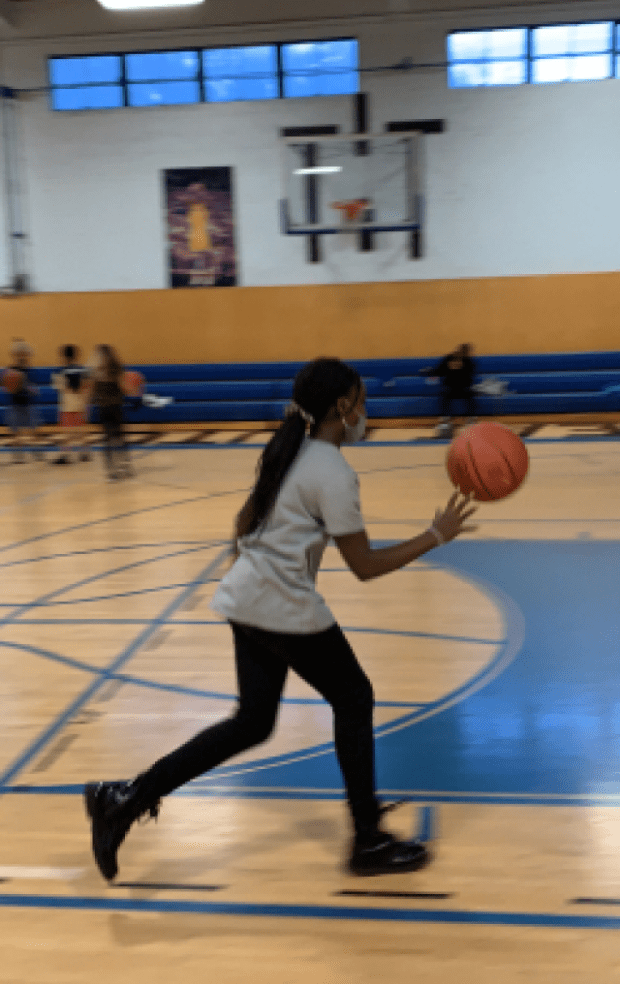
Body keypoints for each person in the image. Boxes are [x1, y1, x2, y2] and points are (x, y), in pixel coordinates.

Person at [84, 357, 476, 882]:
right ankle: (367, 840)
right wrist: (435, 535)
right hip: (281, 608)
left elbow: (242, 520)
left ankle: (126, 797)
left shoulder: (286, 451)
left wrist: (250, 577)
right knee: (354, 698)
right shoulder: (331, 470)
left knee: (254, 721)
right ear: (343, 406)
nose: (366, 410)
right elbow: (363, 566)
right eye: (360, 399)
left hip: (246, 600)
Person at [90, 344, 132, 481]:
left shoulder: (97, 370)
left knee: (109, 439)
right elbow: (124, 387)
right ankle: (124, 466)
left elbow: (92, 391)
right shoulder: (115, 368)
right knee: (118, 437)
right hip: (113, 407)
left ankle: (112, 470)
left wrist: (88, 404)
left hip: (106, 407)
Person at [4, 338, 44, 463]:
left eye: (24, 354)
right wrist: (13, 386)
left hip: (28, 404)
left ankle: (37, 454)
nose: (22, 356)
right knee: (16, 433)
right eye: (19, 354)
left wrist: (27, 387)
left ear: (26, 355)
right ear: (15, 355)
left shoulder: (30, 370)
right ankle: (17, 456)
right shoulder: (10, 370)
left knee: (34, 432)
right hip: (15, 405)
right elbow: (7, 388)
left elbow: (35, 389)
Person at [51, 344, 90, 465]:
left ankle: (66, 455)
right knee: (80, 429)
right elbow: (87, 387)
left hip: (67, 404)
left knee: (67, 430)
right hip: (81, 404)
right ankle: (84, 453)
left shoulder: (60, 371)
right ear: (76, 355)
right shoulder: (83, 370)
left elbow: (60, 388)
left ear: (64, 356)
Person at [432, 343, 477, 437]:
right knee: (445, 394)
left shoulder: (469, 362)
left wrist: (459, 371)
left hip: (463, 388)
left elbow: (470, 378)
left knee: (471, 395)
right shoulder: (448, 359)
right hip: (450, 388)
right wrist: (429, 372)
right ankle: (445, 418)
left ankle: (471, 418)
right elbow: (439, 371)